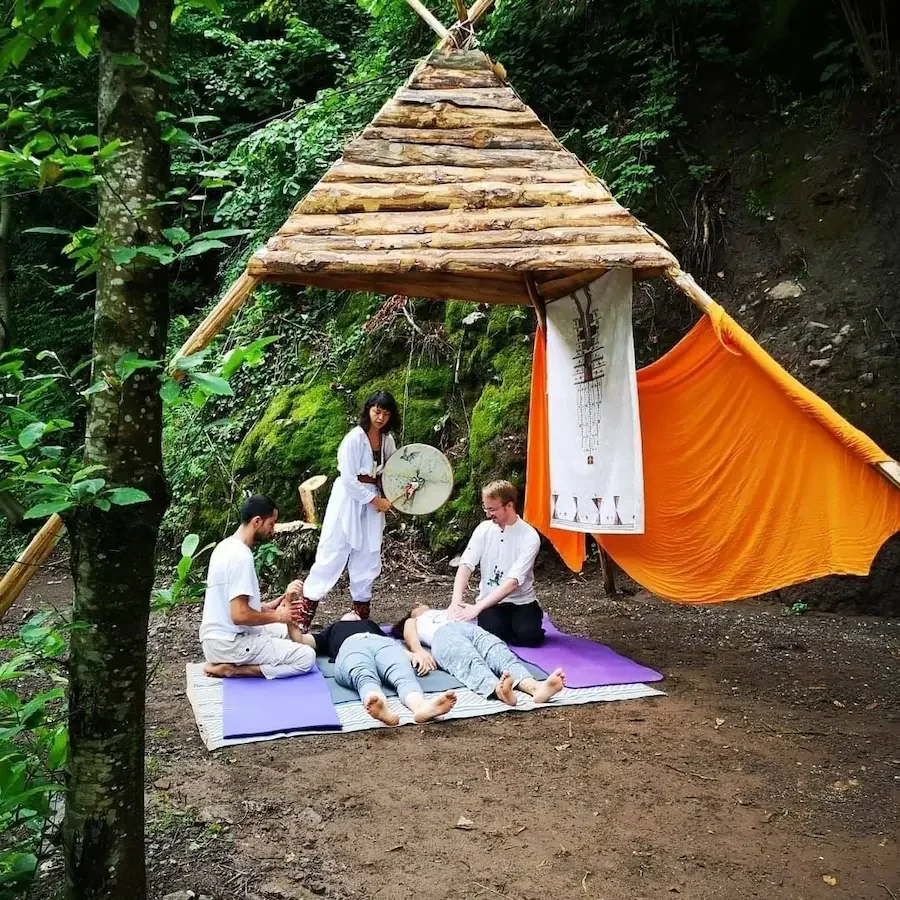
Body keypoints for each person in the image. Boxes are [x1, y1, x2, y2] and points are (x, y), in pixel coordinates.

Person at [295, 391, 400, 632]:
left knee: (368, 554)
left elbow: (393, 472)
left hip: (374, 501)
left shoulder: (388, 441)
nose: (380, 418)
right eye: (377, 411)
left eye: (385, 414)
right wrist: (374, 500)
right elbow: (349, 478)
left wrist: (398, 491)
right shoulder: (354, 439)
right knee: (333, 551)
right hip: (348, 500)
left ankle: (360, 617)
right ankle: (303, 617)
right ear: (368, 410)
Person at [200, 494, 314, 679]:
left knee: (285, 632)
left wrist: (268, 607)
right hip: (229, 644)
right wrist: (278, 616)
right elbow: (239, 615)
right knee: (306, 658)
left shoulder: (225, 547)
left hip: (215, 641)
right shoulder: (241, 557)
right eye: (271, 524)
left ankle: (230, 663)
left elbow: (230, 606)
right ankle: (233, 670)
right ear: (257, 521)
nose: (273, 530)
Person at [298, 613, 457, 726]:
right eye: (349, 612)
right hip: (352, 645)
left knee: (403, 675)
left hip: (382, 644)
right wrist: (291, 619)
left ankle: (421, 707)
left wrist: (413, 655)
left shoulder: (370, 624)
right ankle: (381, 707)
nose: (353, 611)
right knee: (363, 675)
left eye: (355, 612)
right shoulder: (332, 629)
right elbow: (301, 639)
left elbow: (395, 646)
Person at [393, 603, 566, 706]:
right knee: (470, 660)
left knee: (498, 651)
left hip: (470, 629)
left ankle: (535, 688)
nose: (420, 604)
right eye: (416, 606)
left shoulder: (445, 611)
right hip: (443, 635)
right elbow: (409, 633)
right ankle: (499, 690)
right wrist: (419, 651)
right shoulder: (415, 620)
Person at [448, 480, 545, 647]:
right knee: (493, 635)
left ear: (509, 506)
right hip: (490, 603)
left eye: (492, 509)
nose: (488, 514)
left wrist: (476, 608)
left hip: (521, 602)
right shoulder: (483, 529)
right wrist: (455, 602)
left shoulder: (529, 536)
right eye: (485, 508)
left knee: (528, 637)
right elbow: (466, 565)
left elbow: (513, 582)